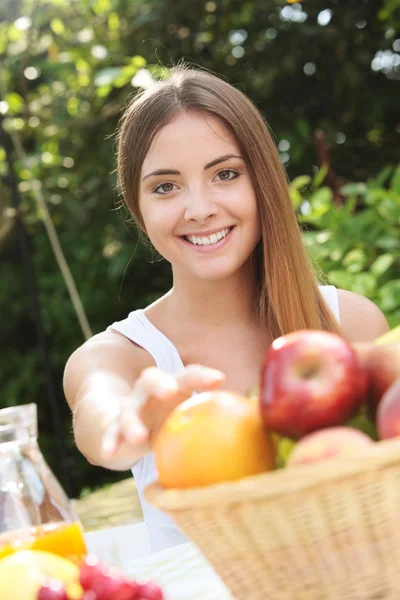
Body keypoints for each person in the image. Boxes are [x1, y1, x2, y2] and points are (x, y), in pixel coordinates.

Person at [63, 65, 390, 553]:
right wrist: (125, 425)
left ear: (263, 183)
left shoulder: (351, 324)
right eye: (166, 186)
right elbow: (101, 414)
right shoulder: (120, 357)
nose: (199, 208)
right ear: (138, 206)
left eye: (226, 174)